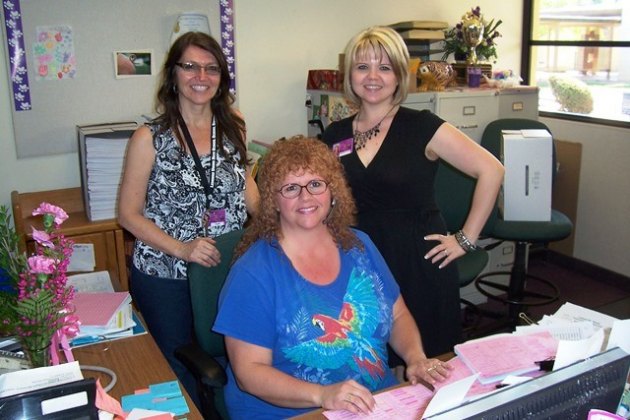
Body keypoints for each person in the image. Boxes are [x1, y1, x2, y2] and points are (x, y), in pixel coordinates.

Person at [213, 136, 452, 419]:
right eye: (290, 188)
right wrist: (323, 395)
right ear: (273, 201)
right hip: (295, 412)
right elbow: (249, 373)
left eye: (316, 184)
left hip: (373, 402)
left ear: (332, 191)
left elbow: (398, 315)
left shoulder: (358, 245)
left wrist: (415, 358)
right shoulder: (253, 273)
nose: (306, 197)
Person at [322, 26, 504, 360]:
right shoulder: (334, 134)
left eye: (385, 67)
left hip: (419, 262)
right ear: (350, 76)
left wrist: (465, 239)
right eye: (363, 67)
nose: (373, 76)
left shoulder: (421, 126)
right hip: (362, 263)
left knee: (428, 364)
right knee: (370, 363)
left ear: (399, 76)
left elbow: (491, 170)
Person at [118, 31, 260, 404]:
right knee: (177, 367)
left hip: (222, 267)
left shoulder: (235, 125)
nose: (201, 76)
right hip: (167, 274)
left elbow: (245, 185)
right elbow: (128, 215)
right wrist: (183, 249)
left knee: (227, 357)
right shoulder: (149, 138)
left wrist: (275, 226)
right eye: (191, 66)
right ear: (173, 74)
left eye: (211, 68)